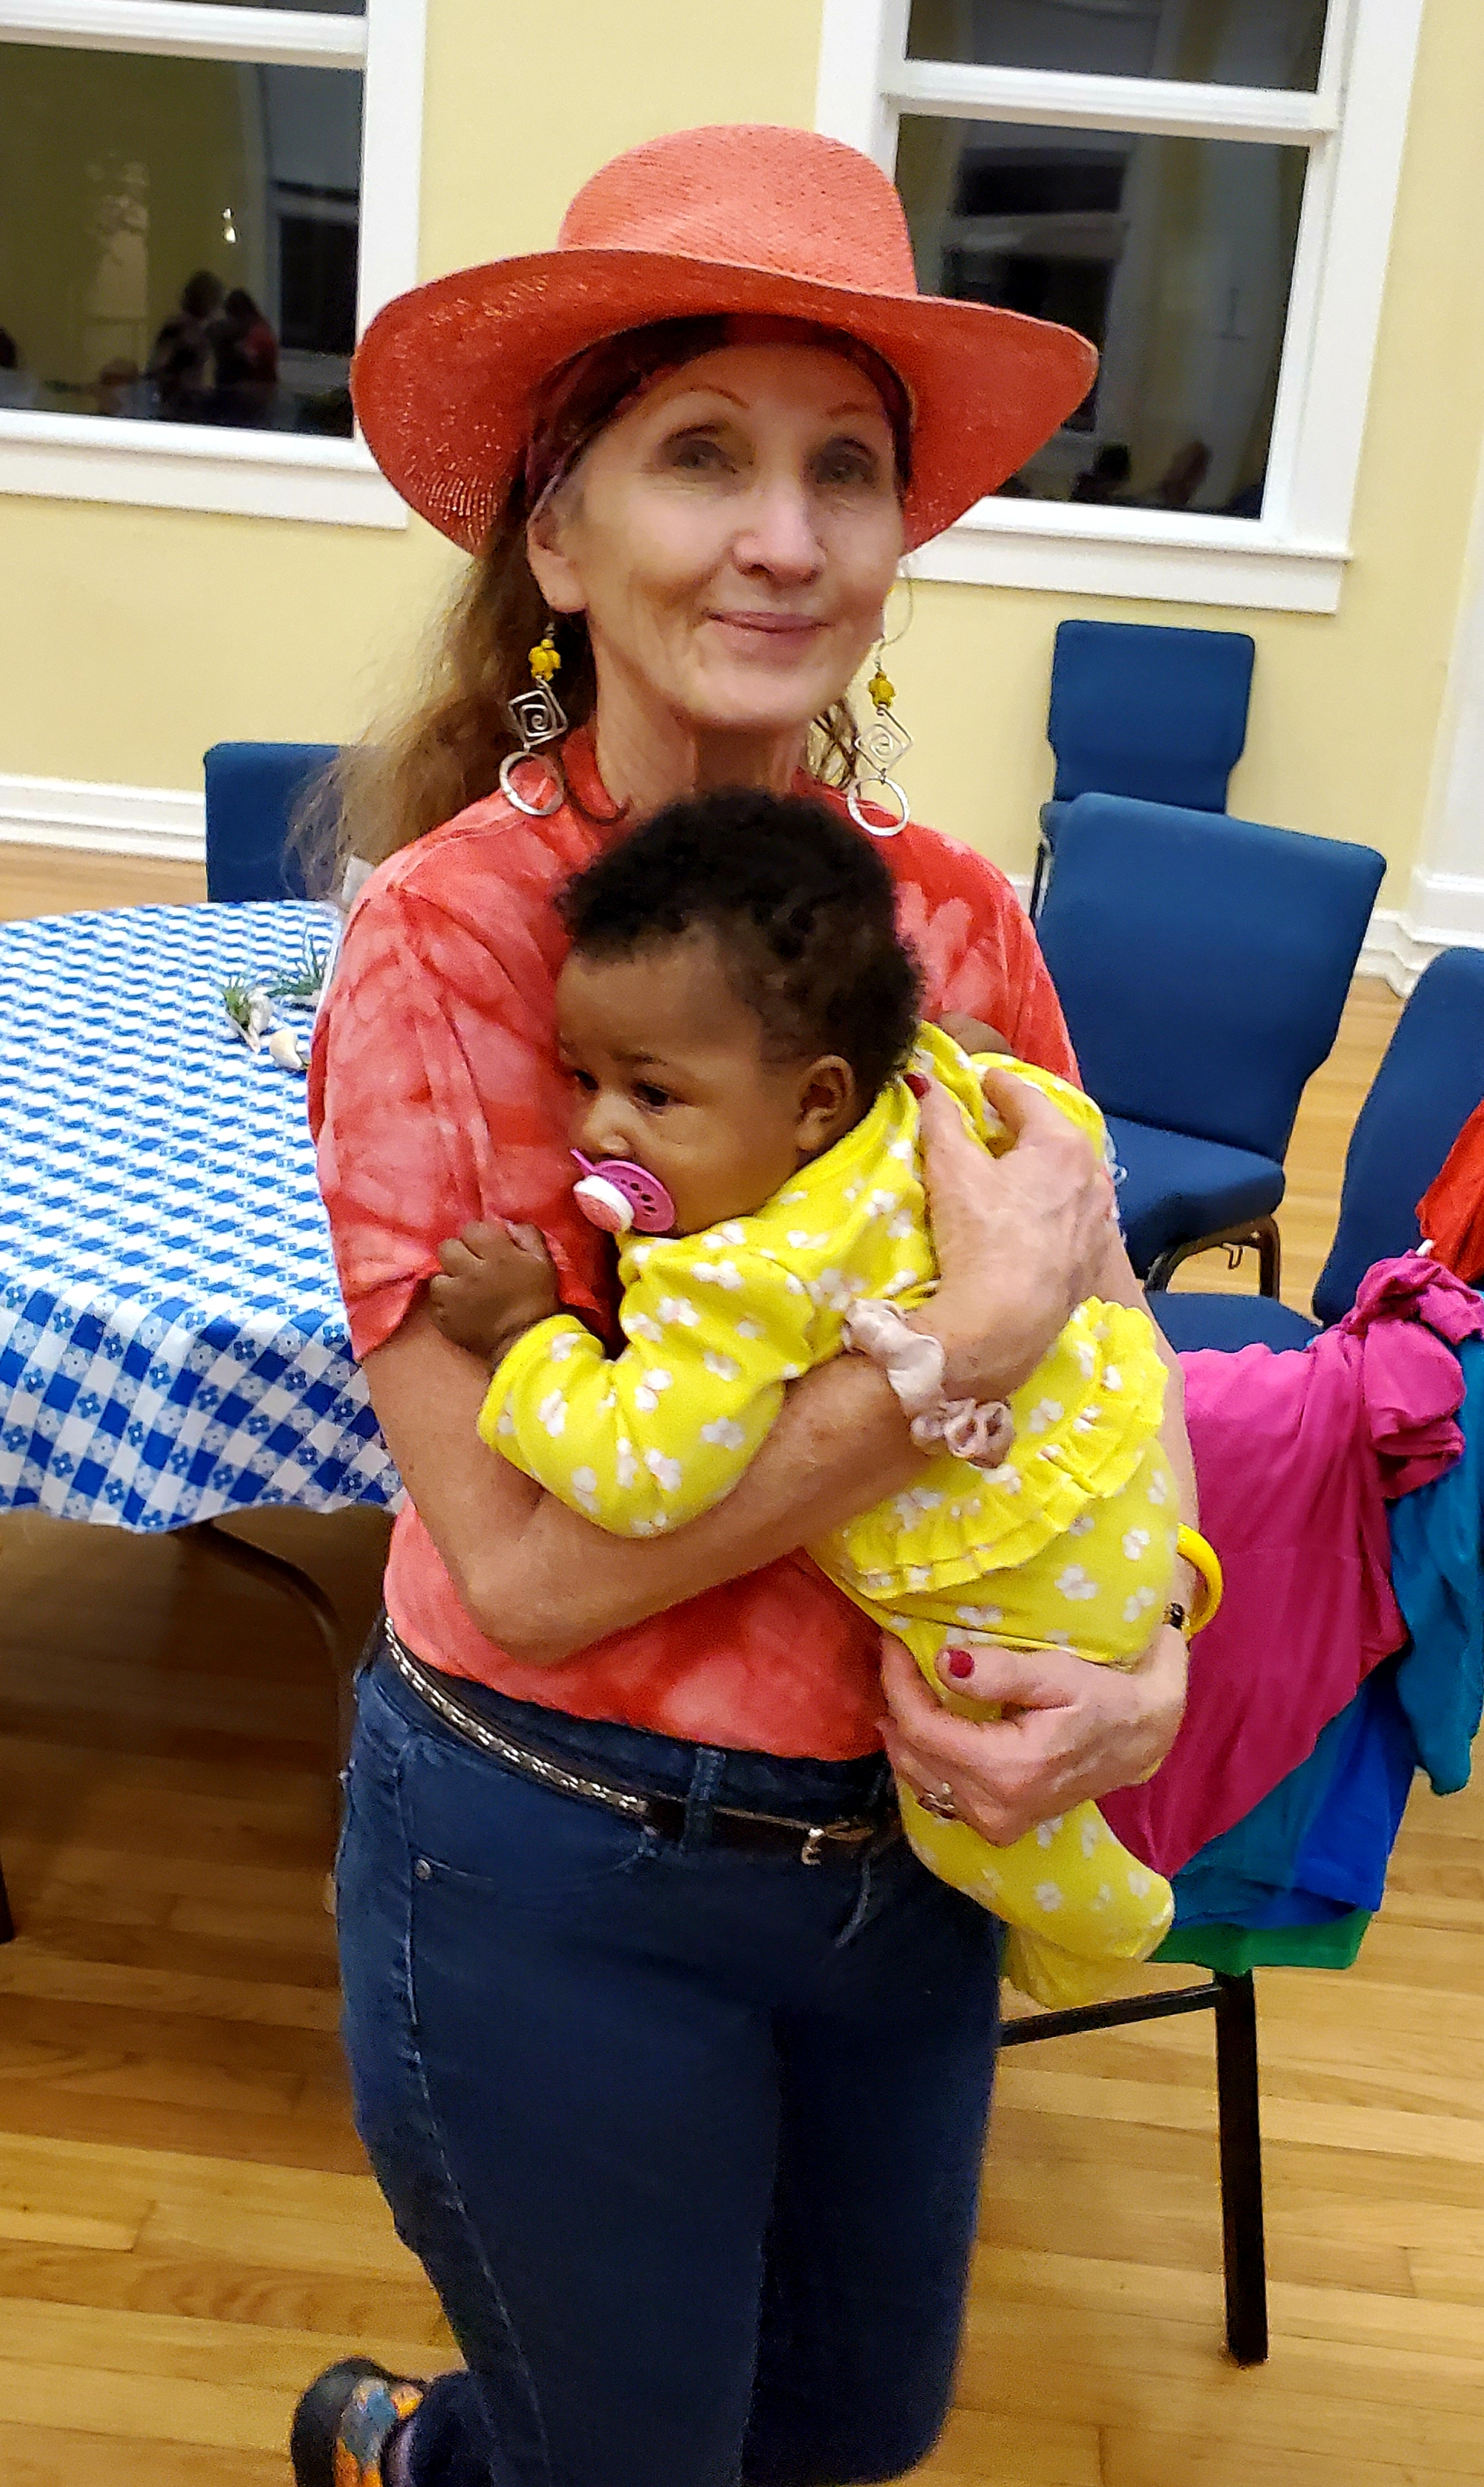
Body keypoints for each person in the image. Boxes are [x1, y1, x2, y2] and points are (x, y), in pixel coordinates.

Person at [299, 122, 1197, 2487]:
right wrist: (946, 1366)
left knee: (848, 2430)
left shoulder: (956, 917)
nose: (784, 536)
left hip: (902, 1865)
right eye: (702, 454)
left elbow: (1105, 1352)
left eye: (843, 468)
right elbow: (525, 1562)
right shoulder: (448, 945)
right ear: (559, 536)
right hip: (554, 1852)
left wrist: (1145, 1668)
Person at [428, 787, 1216, 2010]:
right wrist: (973, 1054)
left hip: (1002, 1609)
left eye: (653, 1093)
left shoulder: (737, 1275)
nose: (598, 1127)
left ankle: (1105, 1924)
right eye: (583, 1077)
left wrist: (528, 1336)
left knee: (968, 1825)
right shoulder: (931, 1091)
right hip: (1126, 1500)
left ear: (815, 1099)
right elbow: (1056, 1131)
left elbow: (640, 1470)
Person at [146, 269, 223, 419]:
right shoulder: (177, 328)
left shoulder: (200, 330)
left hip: (188, 405)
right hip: (174, 407)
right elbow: (158, 367)